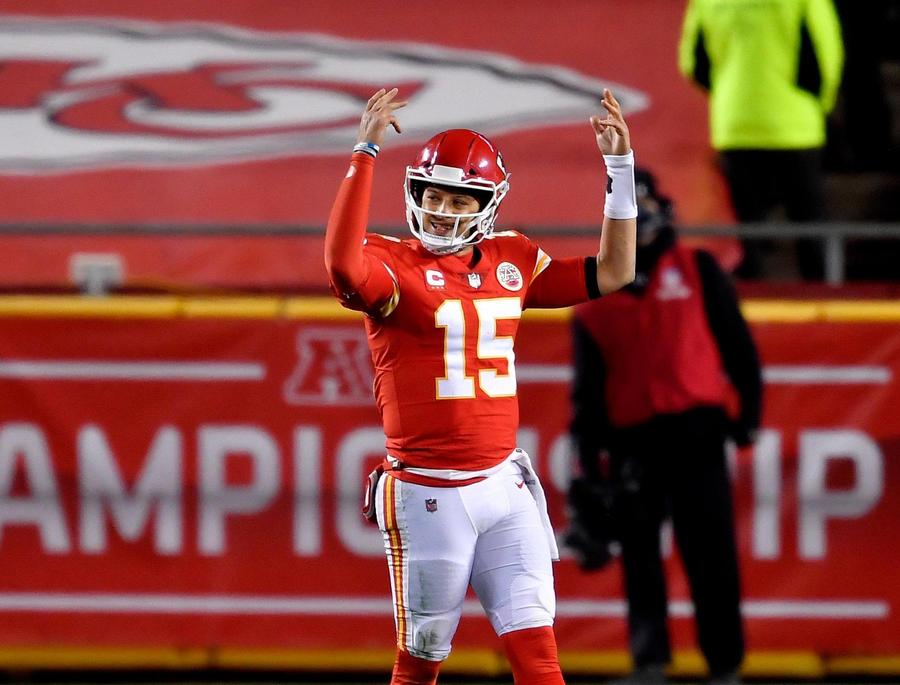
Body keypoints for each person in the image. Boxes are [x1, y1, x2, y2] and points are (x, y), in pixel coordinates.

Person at [325, 87, 637, 685]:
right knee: (421, 661)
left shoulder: (511, 258)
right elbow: (341, 264)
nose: (442, 210)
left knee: (539, 656)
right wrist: (364, 153)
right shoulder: (392, 265)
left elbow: (614, 271)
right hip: (427, 491)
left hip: (503, 484)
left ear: (486, 204)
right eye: (432, 195)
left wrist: (619, 168)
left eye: (459, 198)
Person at [565, 169, 763, 685]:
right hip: (633, 443)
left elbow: (739, 347)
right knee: (640, 558)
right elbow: (587, 394)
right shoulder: (597, 295)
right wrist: (589, 463)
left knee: (711, 554)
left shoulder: (698, 269)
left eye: (643, 203)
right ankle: (649, 663)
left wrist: (749, 417)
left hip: (697, 434)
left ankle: (725, 666)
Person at [679, 0, 844, 279]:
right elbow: (826, 54)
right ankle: (822, 299)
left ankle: (751, 298)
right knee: (810, 227)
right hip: (796, 126)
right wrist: (819, 104)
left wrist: (729, 95)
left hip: (736, 126)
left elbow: (693, 63)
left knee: (748, 232)